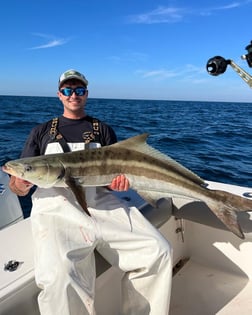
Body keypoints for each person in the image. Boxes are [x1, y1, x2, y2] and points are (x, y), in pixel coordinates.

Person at [9, 69, 172, 315]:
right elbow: (17, 183)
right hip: (56, 209)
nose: (73, 95)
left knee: (157, 250)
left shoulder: (102, 130)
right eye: (67, 90)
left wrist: (117, 183)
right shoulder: (40, 132)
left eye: (79, 90)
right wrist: (19, 185)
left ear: (86, 94)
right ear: (59, 95)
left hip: (102, 205)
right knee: (61, 275)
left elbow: (108, 176)